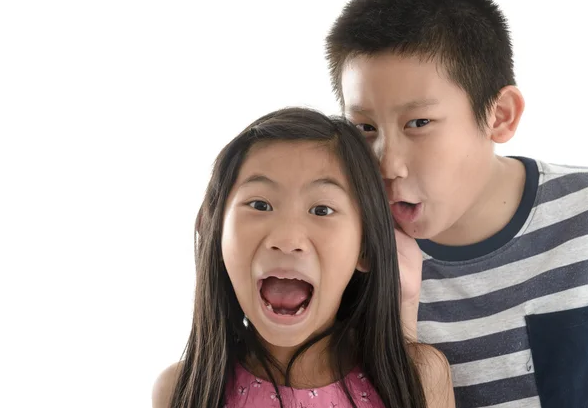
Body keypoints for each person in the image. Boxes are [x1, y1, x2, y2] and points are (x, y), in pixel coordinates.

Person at [325, 0, 588, 408]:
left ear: (500, 115)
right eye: (364, 128)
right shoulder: (348, 265)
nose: (387, 164)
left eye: (419, 123)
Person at [152, 107, 455, 408]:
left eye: (321, 210)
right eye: (259, 204)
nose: (287, 240)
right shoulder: (178, 391)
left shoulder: (419, 377)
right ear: (214, 230)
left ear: (365, 247)